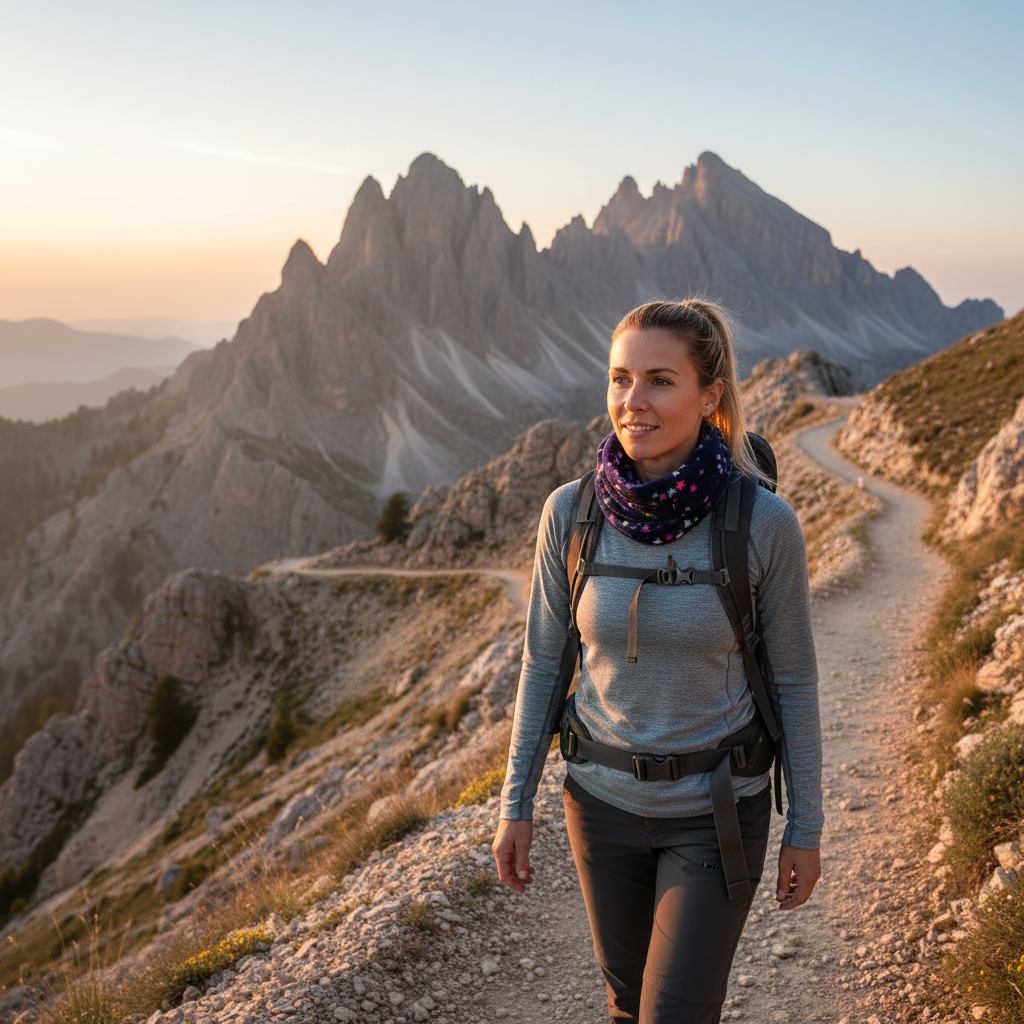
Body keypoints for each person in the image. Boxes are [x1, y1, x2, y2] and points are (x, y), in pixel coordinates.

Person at [491, 300, 823, 1023]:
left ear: (711, 396)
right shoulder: (569, 514)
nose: (631, 402)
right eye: (619, 379)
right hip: (598, 808)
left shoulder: (763, 523)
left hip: (716, 813)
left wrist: (807, 824)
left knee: (674, 1014)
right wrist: (515, 803)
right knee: (624, 1005)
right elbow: (543, 666)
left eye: (660, 381)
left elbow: (795, 678)